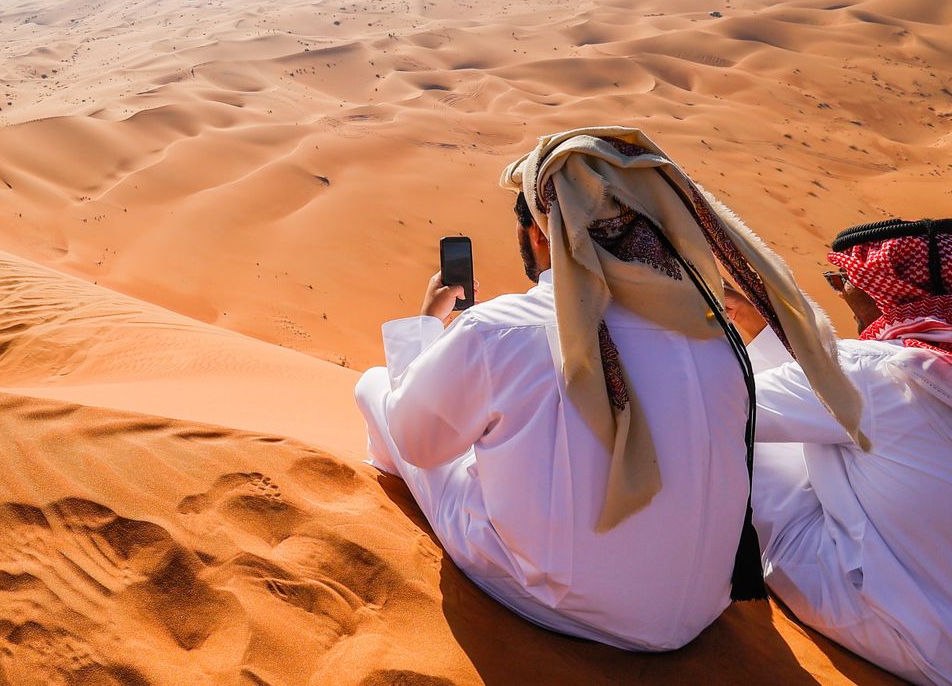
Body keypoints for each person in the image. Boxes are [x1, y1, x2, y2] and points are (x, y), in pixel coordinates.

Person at [354, 127, 864, 651]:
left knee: (377, 391)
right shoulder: (717, 336)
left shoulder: (503, 328)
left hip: (561, 603)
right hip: (700, 613)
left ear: (540, 233)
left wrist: (422, 328)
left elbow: (417, 442)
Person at [734, 218, 952, 685]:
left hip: (911, 634)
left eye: (842, 281)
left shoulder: (871, 372)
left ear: (886, 288)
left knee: (744, 444)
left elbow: (725, 407)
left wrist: (748, 340)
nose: (840, 294)